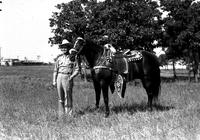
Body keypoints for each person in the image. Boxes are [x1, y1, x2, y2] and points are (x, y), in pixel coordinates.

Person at [53, 39, 80, 117]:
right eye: (62, 48)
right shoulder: (59, 58)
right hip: (59, 77)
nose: (63, 49)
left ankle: (69, 115)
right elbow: (55, 70)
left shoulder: (73, 58)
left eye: (65, 47)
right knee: (60, 97)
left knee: (67, 96)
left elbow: (77, 69)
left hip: (67, 77)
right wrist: (54, 81)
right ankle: (61, 114)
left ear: (68, 48)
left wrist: (71, 77)